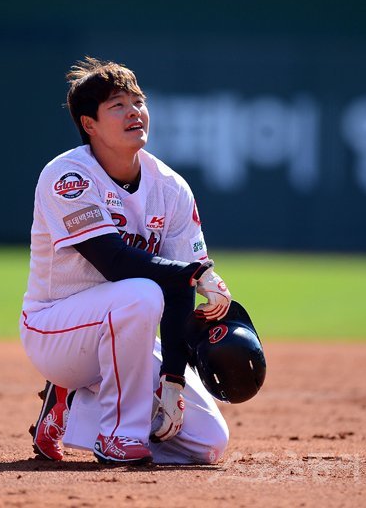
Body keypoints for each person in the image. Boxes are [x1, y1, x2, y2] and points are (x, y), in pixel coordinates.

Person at [20, 57, 232, 465]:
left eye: (138, 101)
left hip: (126, 332)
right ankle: (118, 435)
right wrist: (194, 273)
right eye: (117, 105)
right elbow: (114, 261)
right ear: (89, 124)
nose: (134, 111)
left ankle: (71, 409)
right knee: (140, 292)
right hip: (55, 330)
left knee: (208, 444)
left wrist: (173, 379)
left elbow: (181, 289)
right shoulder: (68, 176)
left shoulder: (170, 188)